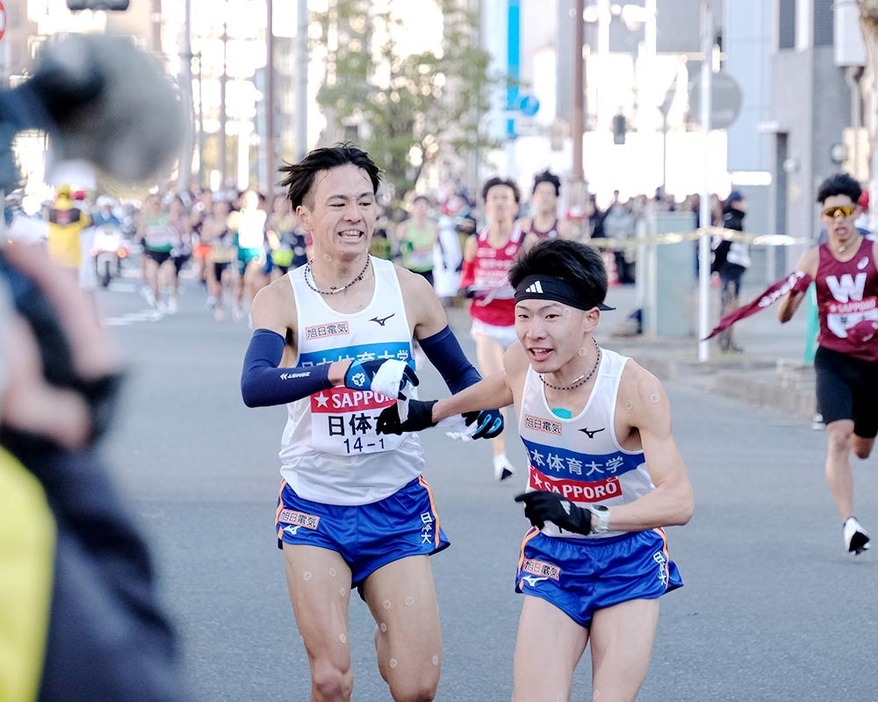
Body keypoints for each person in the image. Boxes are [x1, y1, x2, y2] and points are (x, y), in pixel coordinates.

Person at [376, 238, 694, 702]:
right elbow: (504, 387)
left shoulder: (633, 389)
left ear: (590, 319)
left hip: (627, 559)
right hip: (555, 558)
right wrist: (431, 411)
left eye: (551, 315)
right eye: (524, 315)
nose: (533, 332)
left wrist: (591, 517)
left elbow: (679, 500)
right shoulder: (522, 363)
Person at [239, 143, 502, 702]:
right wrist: (341, 371)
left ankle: (392, 637)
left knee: (417, 687)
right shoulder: (281, 299)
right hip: (316, 503)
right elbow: (255, 384)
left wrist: (481, 413)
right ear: (304, 215)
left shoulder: (408, 290)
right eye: (338, 203)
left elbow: (462, 376)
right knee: (330, 679)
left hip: (396, 505)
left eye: (365, 201)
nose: (354, 215)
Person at [778, 172, 878, 556]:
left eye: (844, 211)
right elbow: (784, 316)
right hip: (834, 361)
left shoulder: (873, 252)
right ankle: (849, 523)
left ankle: (862, 435)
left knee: (863, 447)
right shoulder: (812, 259)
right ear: (823, 218)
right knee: (838, 437)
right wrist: (795, 292)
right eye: (830, 213)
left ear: (856, 213)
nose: (838, 220)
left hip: (873, 363)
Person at [459, 176, 535, 481]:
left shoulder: (525, 241)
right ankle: (500, 457)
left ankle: (536, 464)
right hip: (487, 323)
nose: (500, 203)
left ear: (515, 205)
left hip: (520, 326)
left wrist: (514, 288)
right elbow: (465, 279)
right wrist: (472, 288)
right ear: (486, 205)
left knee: (527, 394)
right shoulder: (475, 241)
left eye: (506, 198)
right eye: (494, 198)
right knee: (496, 387)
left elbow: (535, 283)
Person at [711, 190, 750, 353]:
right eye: (742, 201)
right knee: (729, 305)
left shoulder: (732, 220)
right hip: (730, 269)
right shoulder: (732, 221)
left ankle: (727, 341)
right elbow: (723, 248)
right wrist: (716, 269)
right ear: (735, 203)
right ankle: (725, 341)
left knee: (730, 305)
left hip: (732, 269)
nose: (745, 204)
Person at [516, 170, 574, 242]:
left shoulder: (564, 228)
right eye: (541, 192)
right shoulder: (522, 226)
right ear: (533, 197)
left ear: (556, 198)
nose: (544, 197)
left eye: (549, 193)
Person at [395, 194, 439, 287]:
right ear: (412, 207)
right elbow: (398, 249)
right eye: (418, 205)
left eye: (424, 206)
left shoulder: (434, 227)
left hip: (429, 269)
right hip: (410, 269)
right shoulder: (404, 227)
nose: (421, 209)